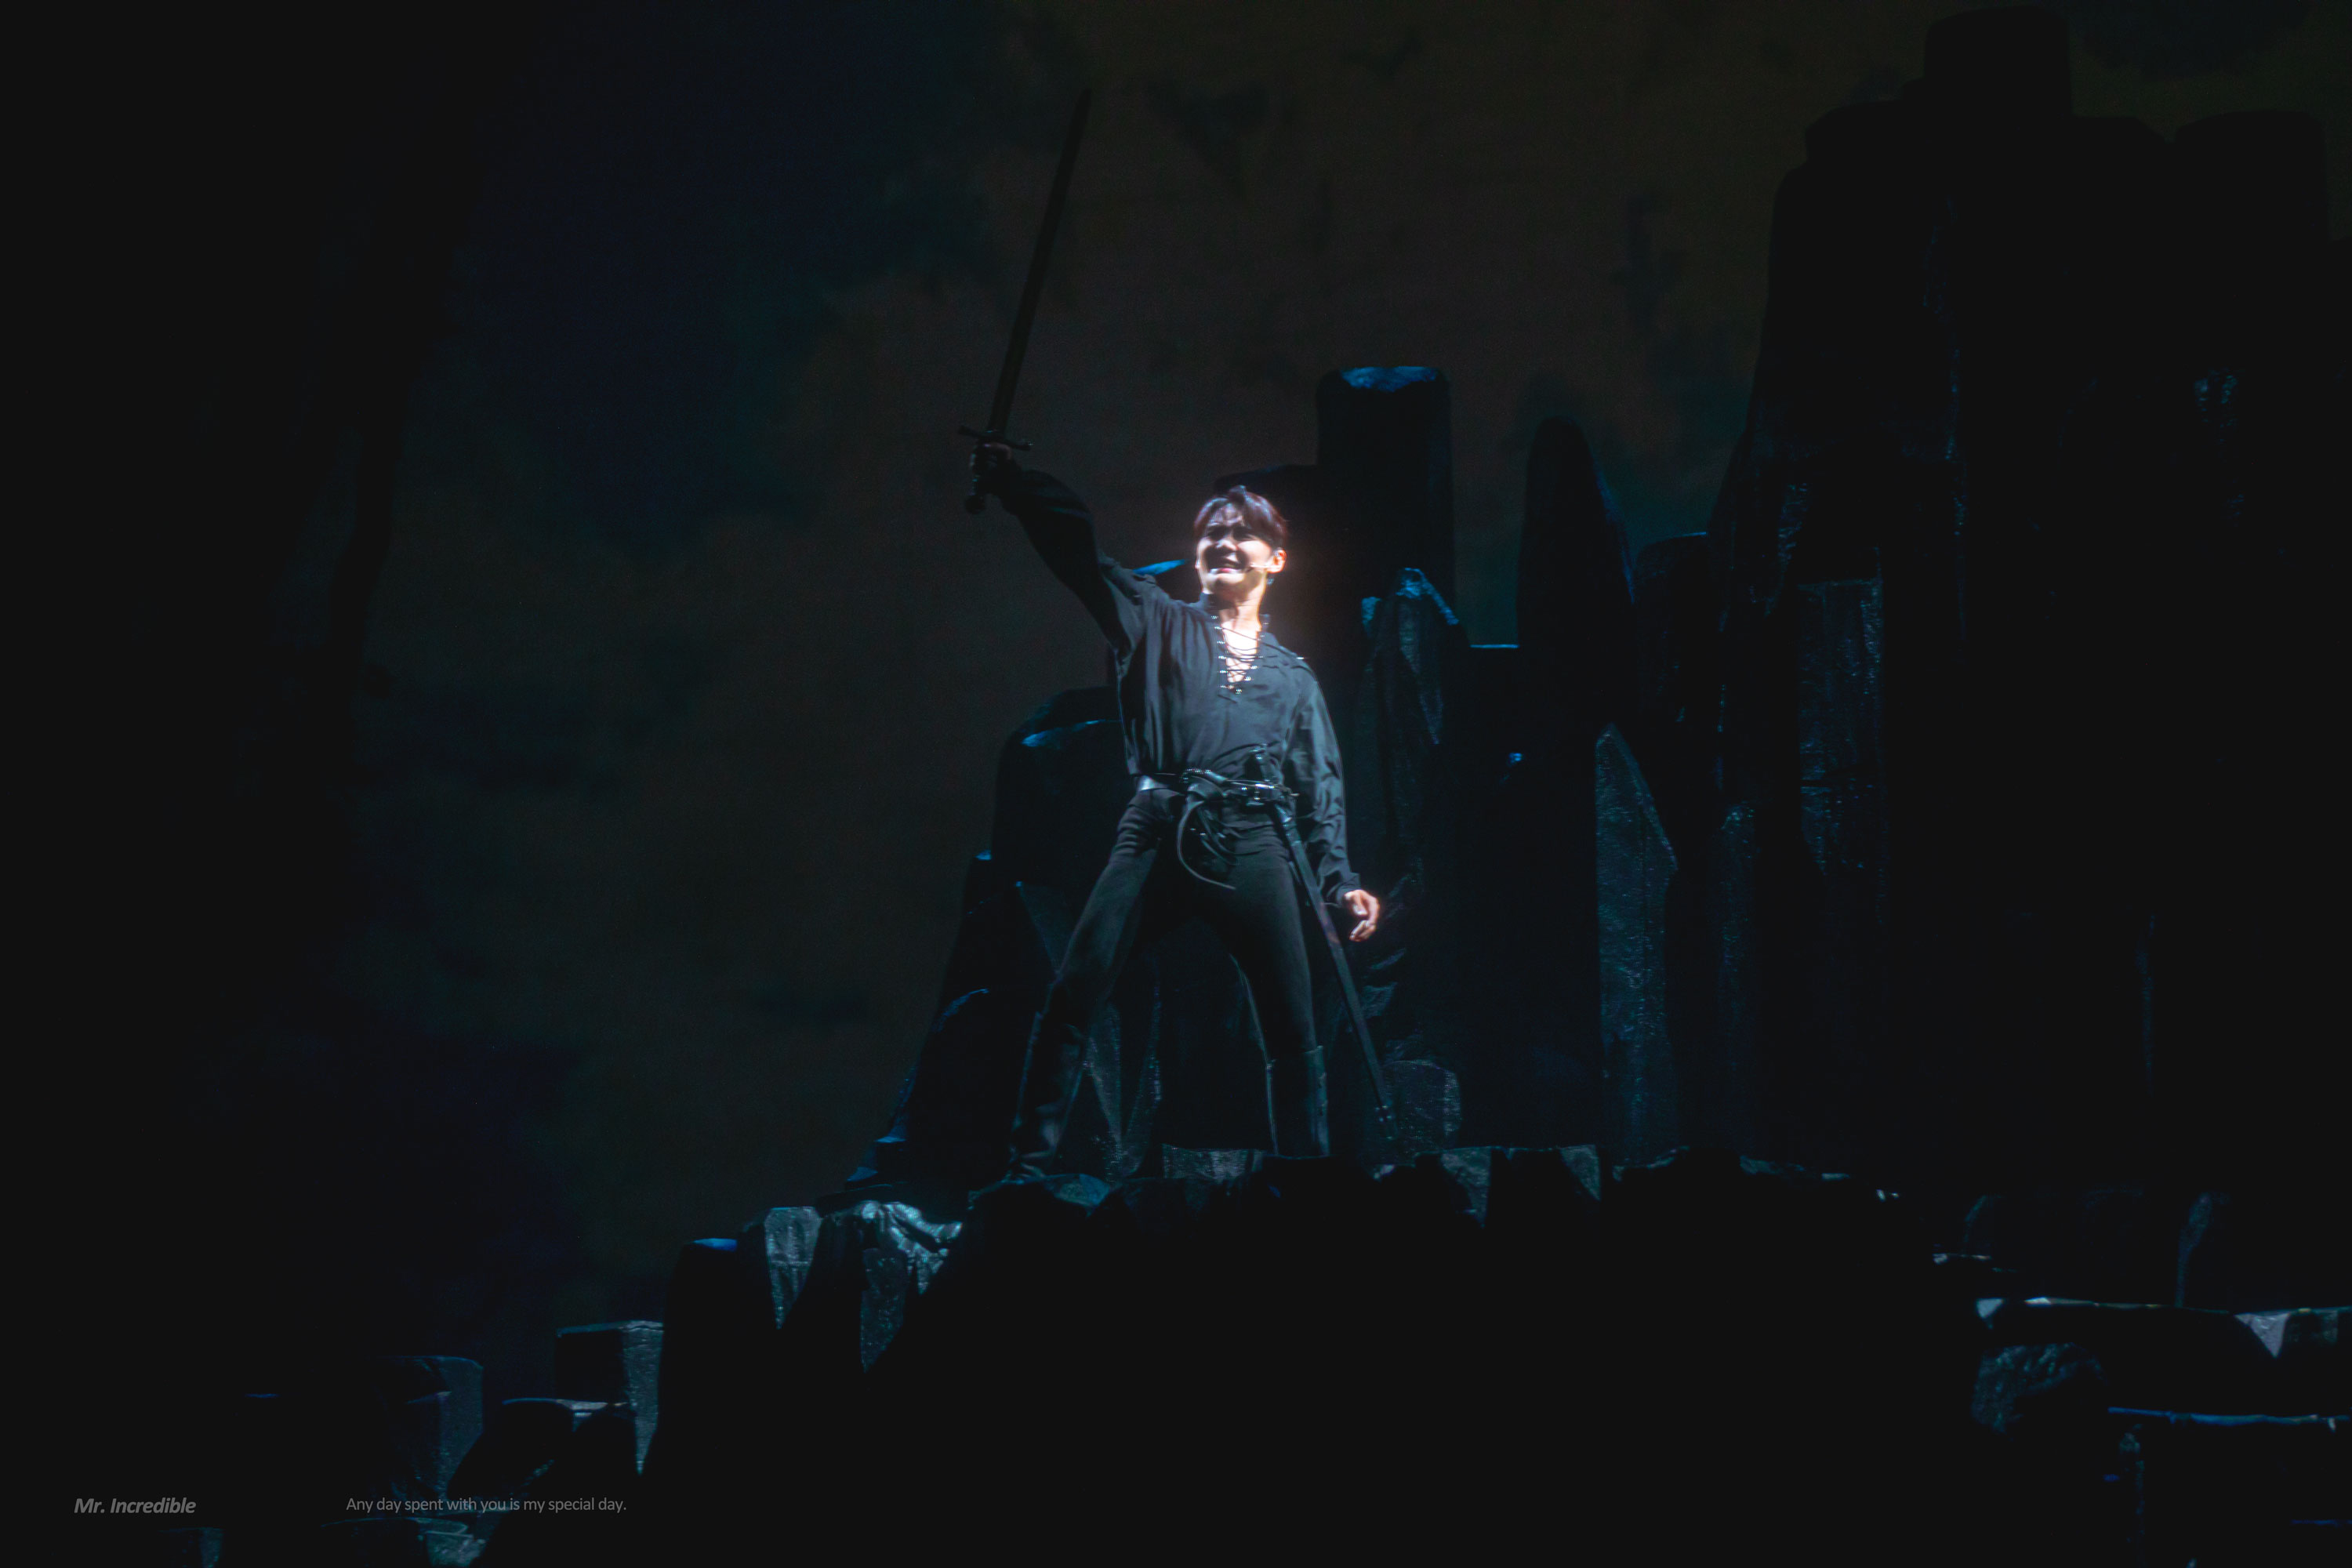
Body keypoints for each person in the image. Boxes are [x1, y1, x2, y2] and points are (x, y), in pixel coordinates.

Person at [971, 442, 1378, 1174]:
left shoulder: (1294, 678)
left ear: (1276, 560)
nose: (1223, 543)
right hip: (1158, 826)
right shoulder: (1156, 620)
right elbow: (1082, 558)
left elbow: (1320, 790)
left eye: (1241, 533)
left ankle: (1308, 1179)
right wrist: (1017, 485)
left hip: (1254, 840)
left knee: (1292, 1023)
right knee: (1077, 989)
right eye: (1210, 534)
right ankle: (1026, 1168)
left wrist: (1339, 881)